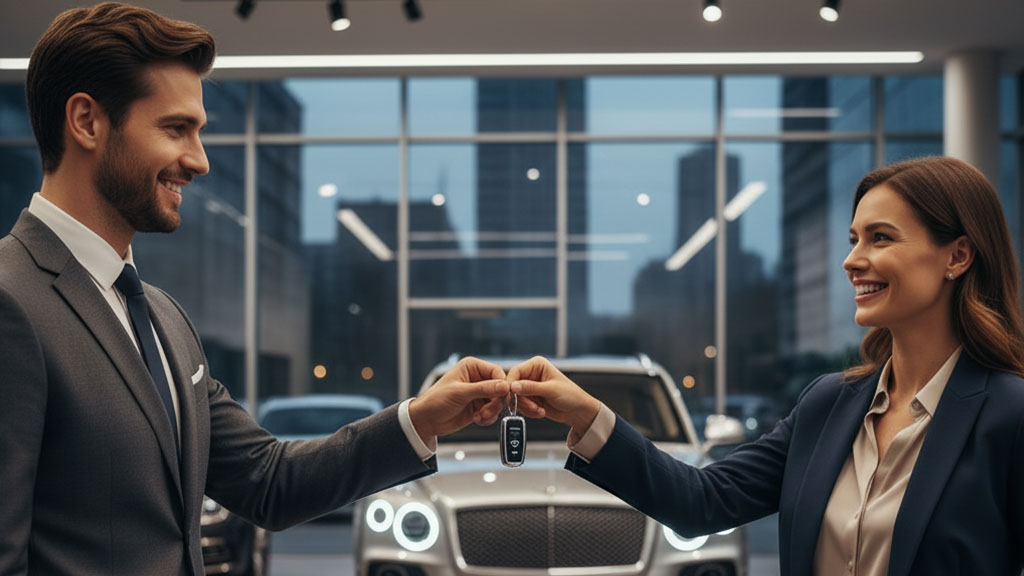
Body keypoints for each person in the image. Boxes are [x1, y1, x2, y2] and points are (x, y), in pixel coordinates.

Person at [0, 3, 509, 574]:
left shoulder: (164, 318)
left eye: (199, 131)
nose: (199, 160)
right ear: (87, 122)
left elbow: (267, 480)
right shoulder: (10, 303)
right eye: (176, 129)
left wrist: (423, 418)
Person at [508, 156, 1024, 575]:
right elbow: (701, 501)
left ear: (957, 256)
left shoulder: (1008, 414)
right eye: (853, 239)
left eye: (880, 237)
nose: (852, 259)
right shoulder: (828, 404)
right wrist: (583, 413)